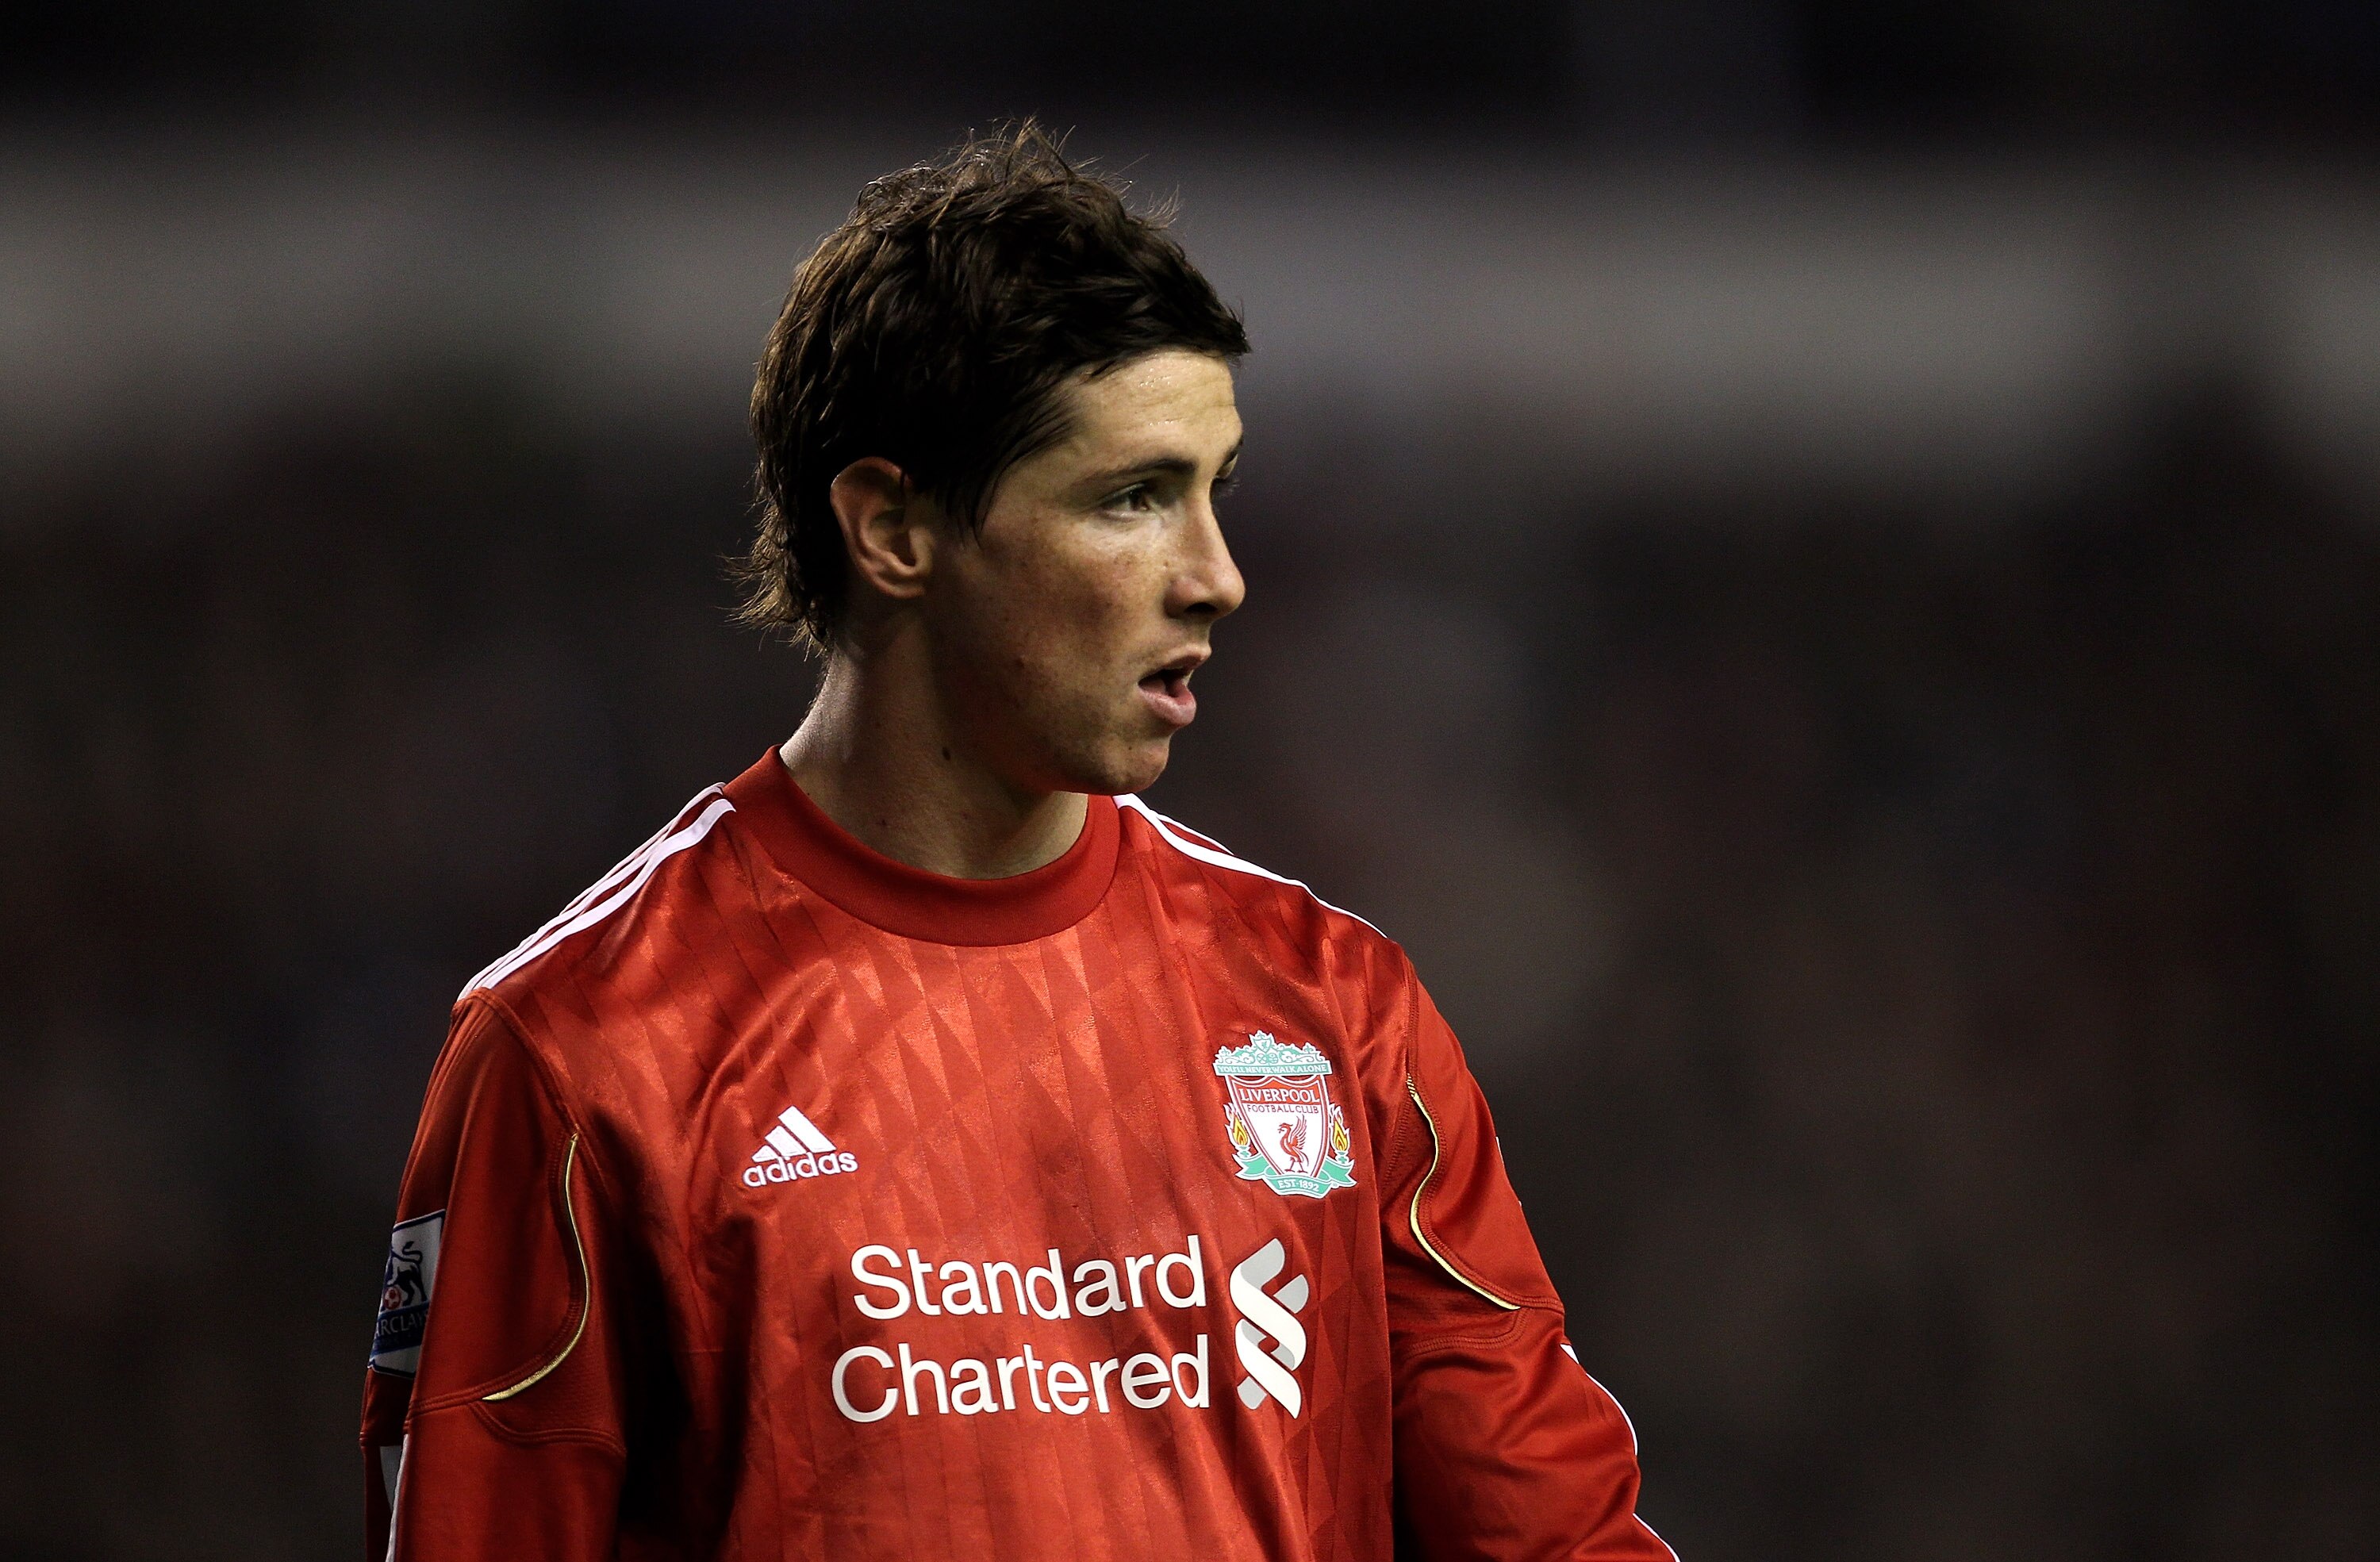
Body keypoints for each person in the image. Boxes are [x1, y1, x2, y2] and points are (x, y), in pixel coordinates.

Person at [360, 123, 1674, 1562]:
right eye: (1131, 499)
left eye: (1213, 491)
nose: (1216, 579)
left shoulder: (1328, 1010)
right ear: (895, 530)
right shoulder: (588, 1055)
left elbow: (1552, 1538)